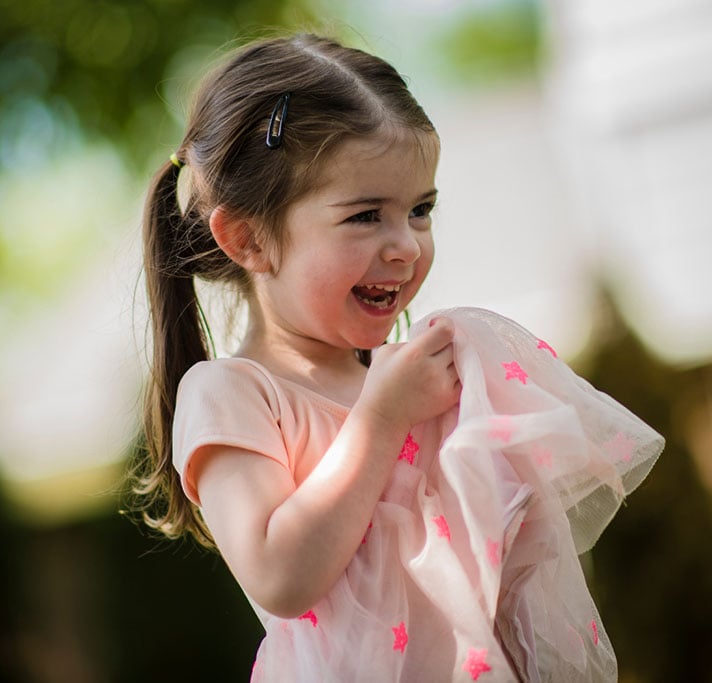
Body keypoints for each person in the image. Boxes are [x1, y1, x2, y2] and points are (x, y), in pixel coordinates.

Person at [132, 33, 663, 682]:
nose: (406, 245)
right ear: (248, 239)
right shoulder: (233, 393)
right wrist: (381, 420)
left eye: (420, 210)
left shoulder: (413, 379)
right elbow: (279, 575)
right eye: (365, 216)